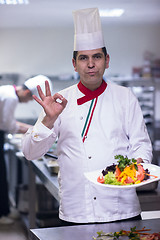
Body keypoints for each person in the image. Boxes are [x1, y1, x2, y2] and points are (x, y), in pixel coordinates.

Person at [22, 8, 152, 225]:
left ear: (107, 60)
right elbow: (30, 153)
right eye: (83, 58)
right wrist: (48, 120)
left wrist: (137, 165)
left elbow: (142, 145)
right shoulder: (59, 100)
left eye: (97, 57)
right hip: (77, 211)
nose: (91, 64)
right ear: (74, 64)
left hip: (122, 209)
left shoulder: (125, 97)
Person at [0, 74, 52, 225]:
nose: (27, 102)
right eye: (30, 99)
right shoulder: (11, 97)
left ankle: (4, 211)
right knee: (0, 174)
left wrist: (33, 129)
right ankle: (2, 214)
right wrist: (35, 129)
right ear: (28, 93)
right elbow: (9, 126)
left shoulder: (8, 91)